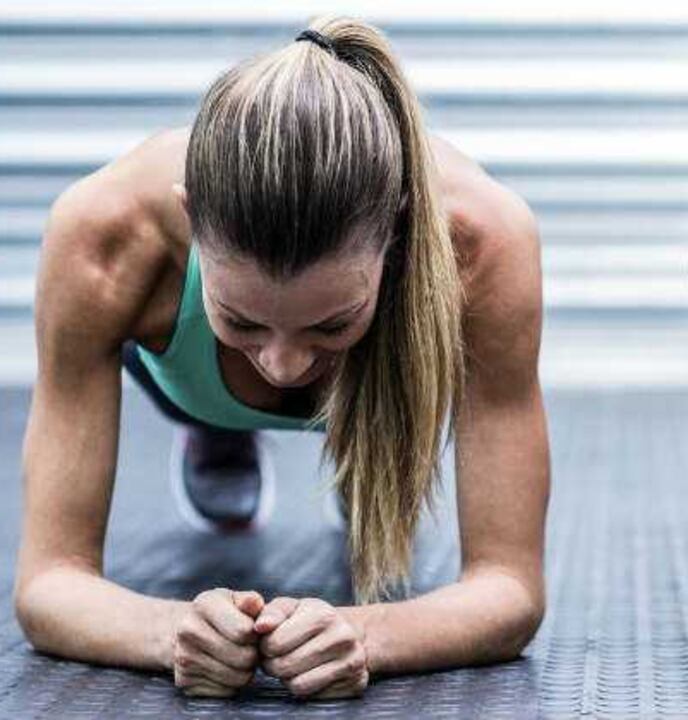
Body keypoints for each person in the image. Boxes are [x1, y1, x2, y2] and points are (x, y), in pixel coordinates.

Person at [15, 16, 549, 700]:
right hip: (185, 378)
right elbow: (48, 582)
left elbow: (509, 587)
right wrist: (171, 631)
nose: (285, 366)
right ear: (191, 219)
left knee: (375, 533)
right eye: (241, 319)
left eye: (329, 324)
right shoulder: (105, 235)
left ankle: (354, 410)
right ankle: (216, 420)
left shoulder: (483, 240)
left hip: (383, 374)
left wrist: (367, 634)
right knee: (237, 360)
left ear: (397, 232)